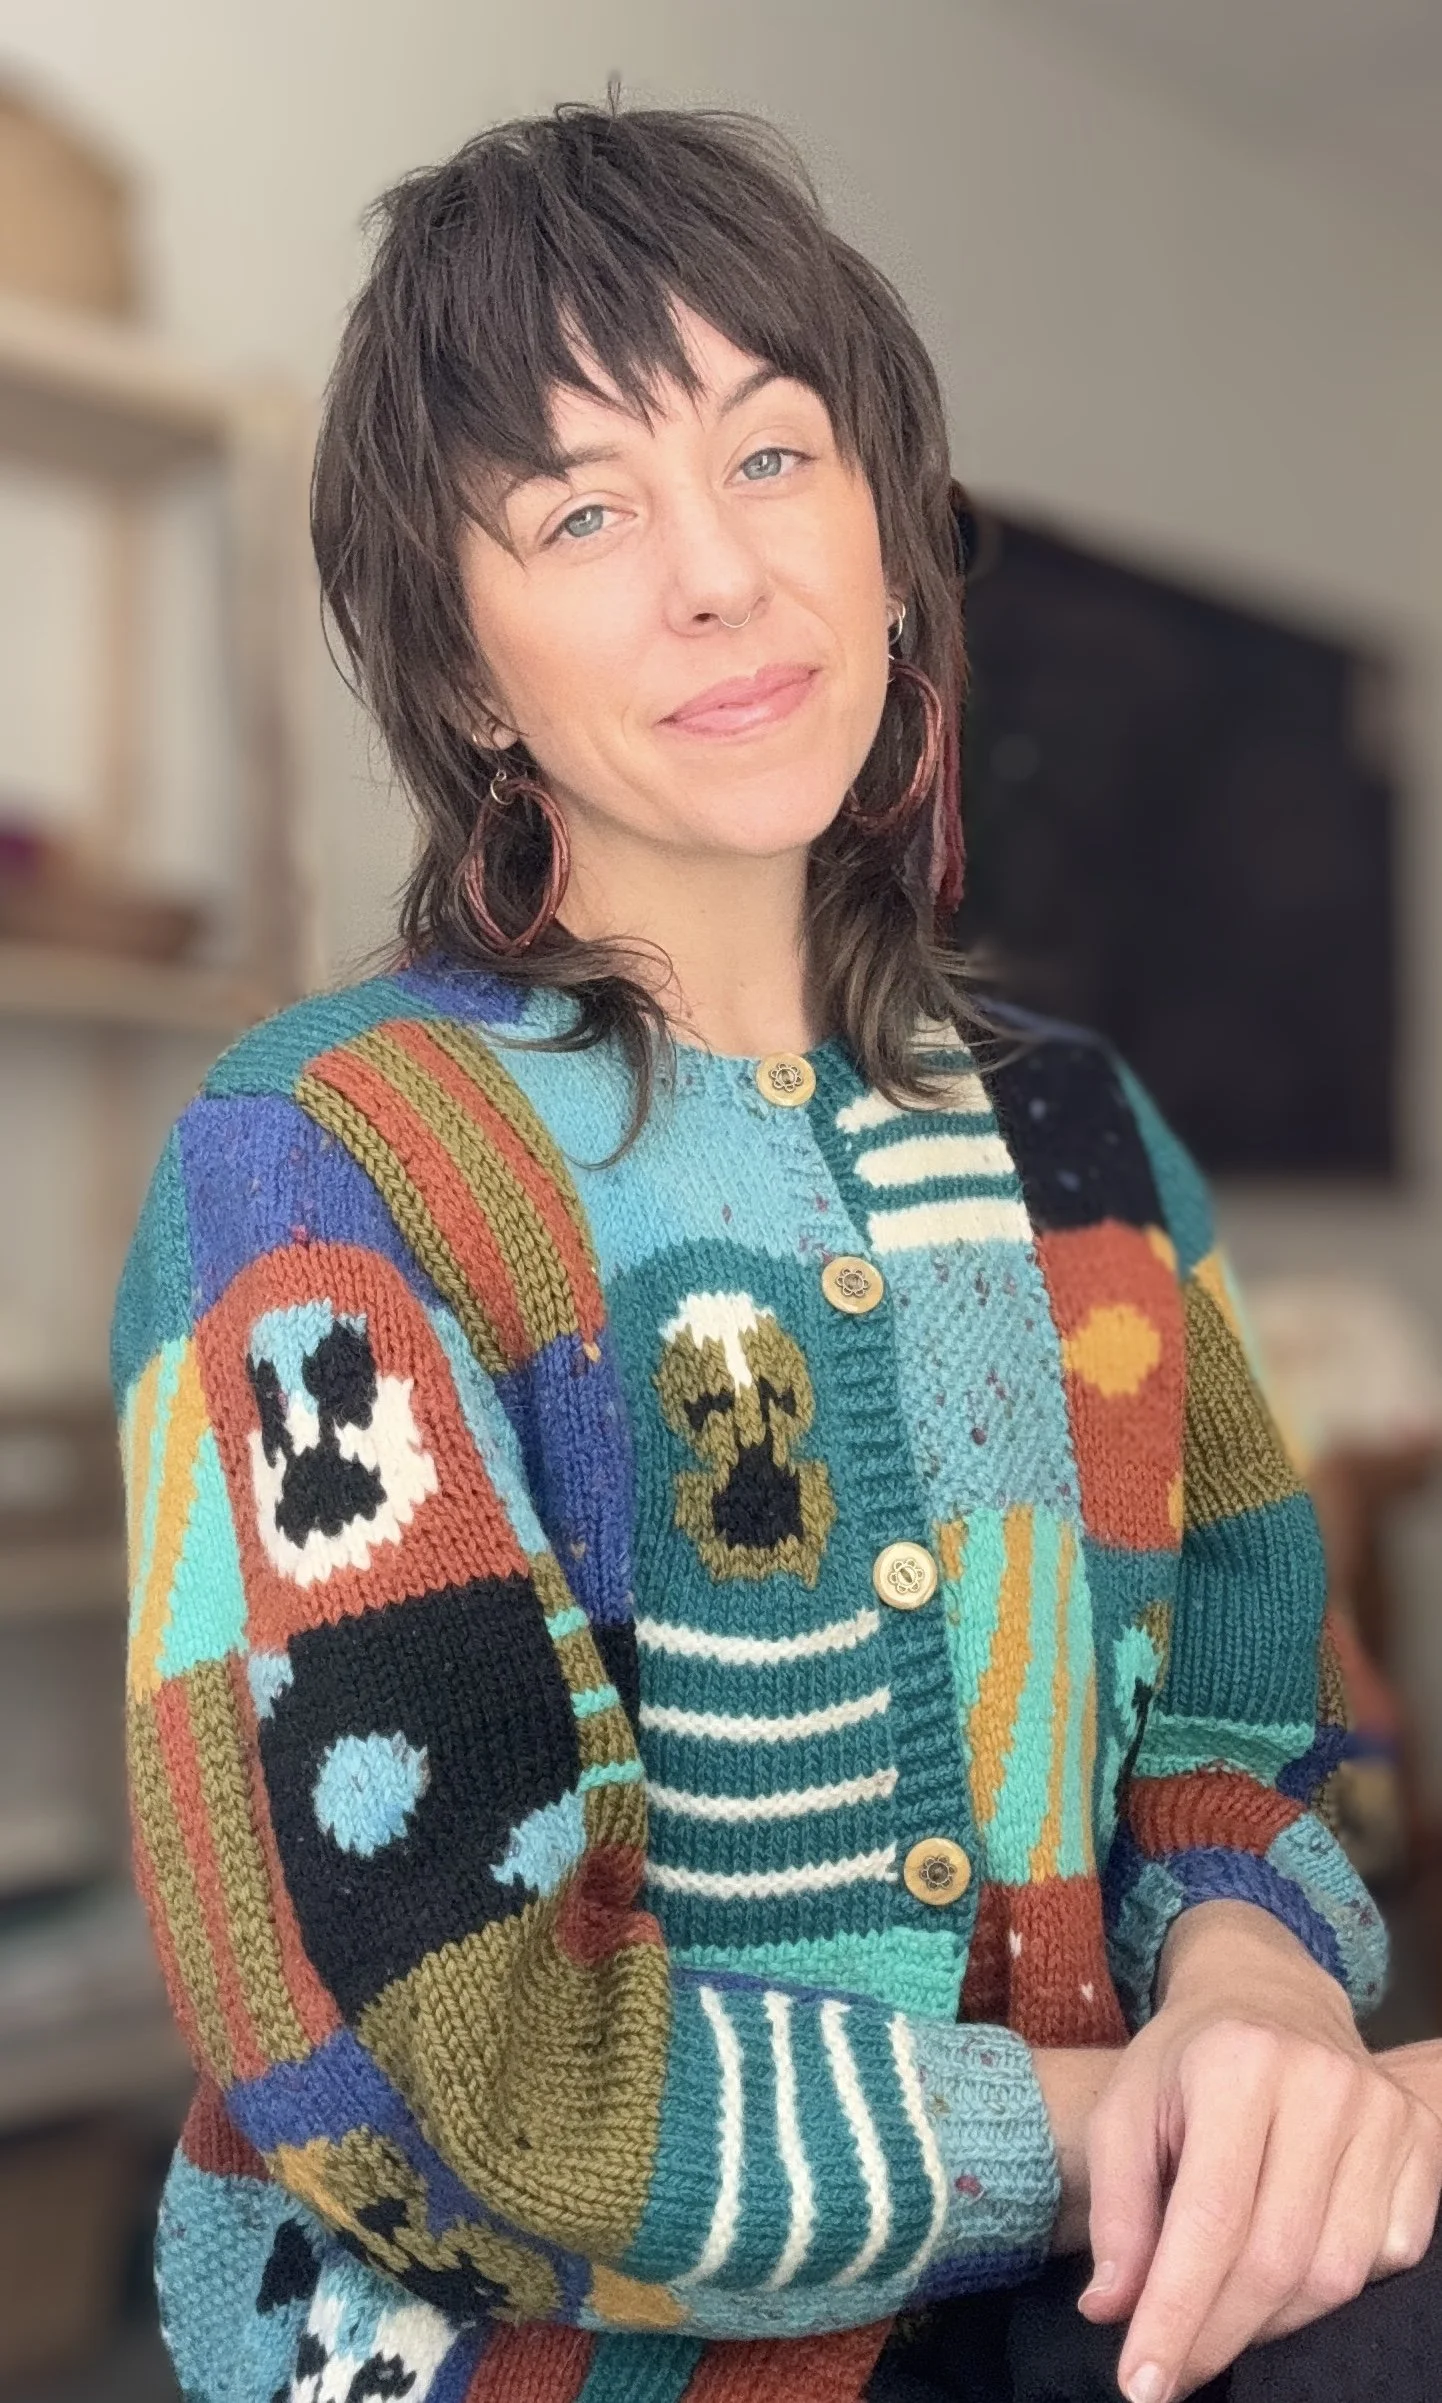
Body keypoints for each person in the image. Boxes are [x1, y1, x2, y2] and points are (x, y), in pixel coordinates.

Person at [112, 89, 1442, 2403]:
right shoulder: (323, 1161)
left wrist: (1252, 1985)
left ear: (887, 538)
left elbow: (1264, 1725)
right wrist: (1131, 2124)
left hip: (1081, 2301)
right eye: (581, 508)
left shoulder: (1078, 1135)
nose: (717, 574)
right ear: (460, 666)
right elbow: (445, 2063)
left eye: (769, 454)